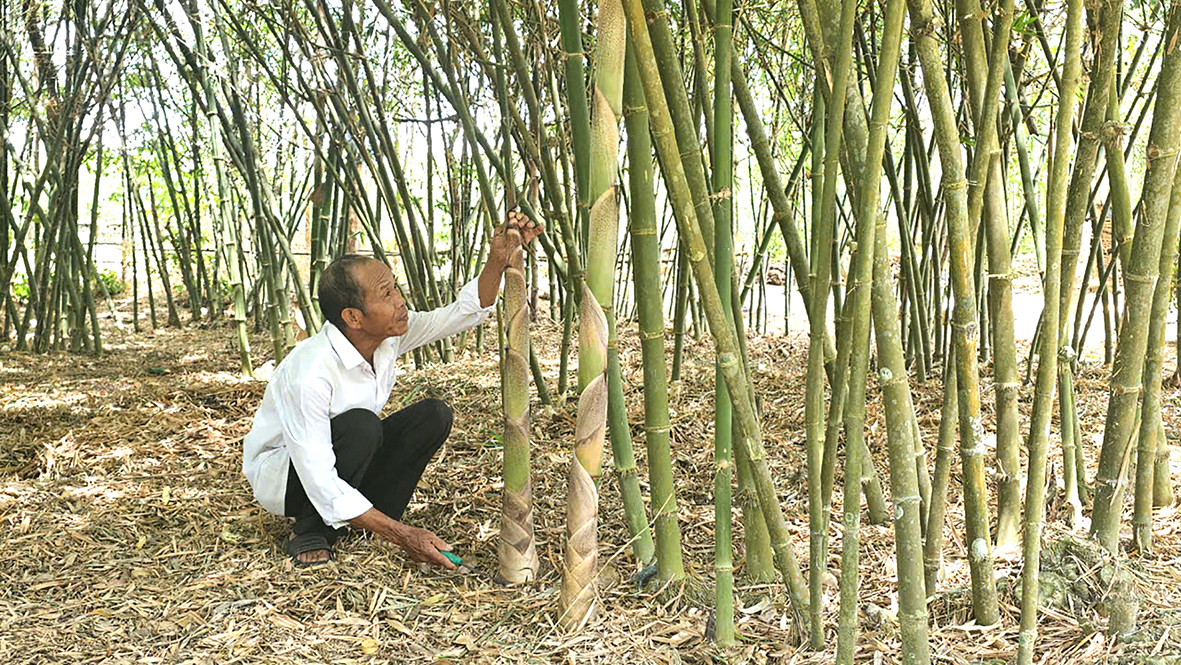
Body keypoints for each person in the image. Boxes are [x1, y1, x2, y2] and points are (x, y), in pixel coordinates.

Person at [242, 210, 543, 567]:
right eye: (386, 295)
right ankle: (310, 527)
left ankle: (370, 515)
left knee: (432, 415)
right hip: (288, 476)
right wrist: (403, 536)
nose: (400, 301)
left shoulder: (385, 337)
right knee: (361, 427)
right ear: (353, 318)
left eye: (395, 287)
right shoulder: (309, 373)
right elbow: (317, 474)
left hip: (348, 460)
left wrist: (497, 260)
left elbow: (458, 314)